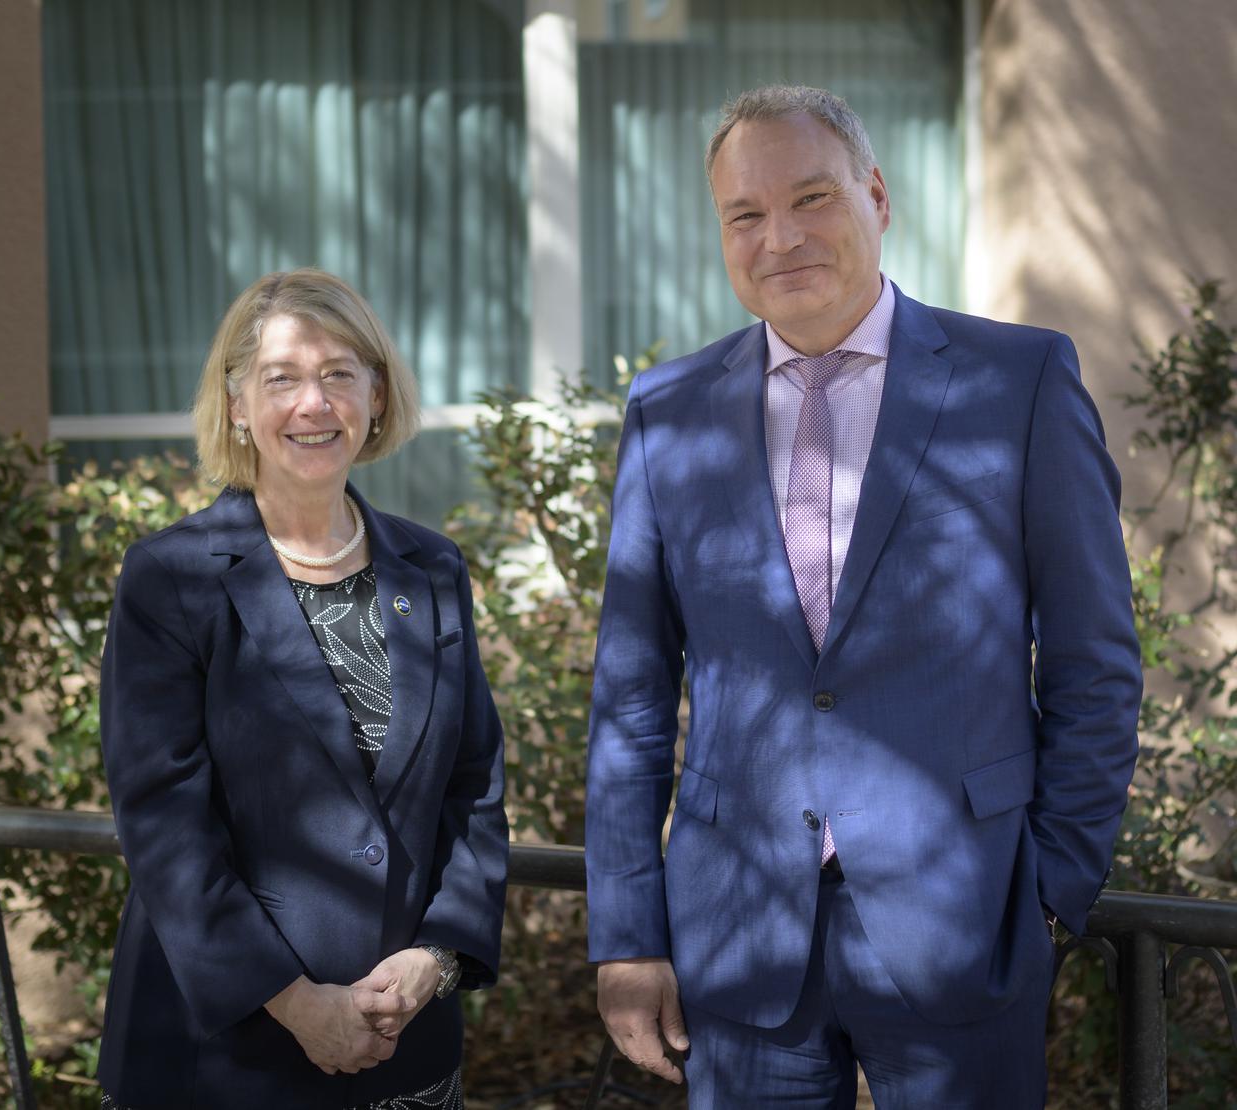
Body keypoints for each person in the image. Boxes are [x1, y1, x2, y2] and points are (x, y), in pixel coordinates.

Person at [585, 86, 1141, 1107]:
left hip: (962, 924)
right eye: (745, 215)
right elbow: (630, 698)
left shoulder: (1016, 381)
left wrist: (1051, 887)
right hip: (739, 936)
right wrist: (625, 935)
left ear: (876, 197)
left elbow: (1092, 662)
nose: (779, 237)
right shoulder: (668, 412)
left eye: (812, 198)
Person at [97, 269, 508, 1109]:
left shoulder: (432, 569)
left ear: (377, 395)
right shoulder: (169, 577)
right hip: (220, 1052)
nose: (313, 403)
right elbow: (164, 822)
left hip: (404, 1040)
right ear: (237, 404)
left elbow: (475, 786)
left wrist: (434, 958)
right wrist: (295, 1002)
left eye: (338, 374)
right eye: (281, 377)